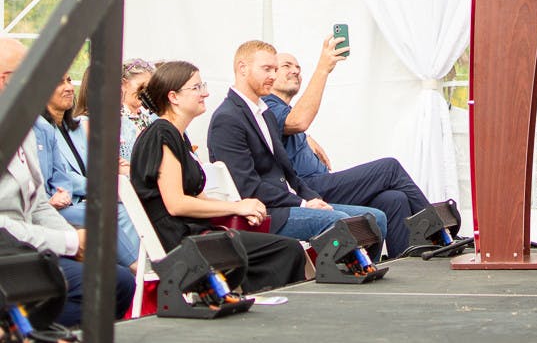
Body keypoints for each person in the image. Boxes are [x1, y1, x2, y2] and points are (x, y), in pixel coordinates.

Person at [129, 61, 308, 292]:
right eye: (196, 88)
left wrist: (242, 206)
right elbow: (176, 204)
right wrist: (236, 208)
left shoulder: (176, 135)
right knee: (286, 250)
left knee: (285, 248)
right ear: (173, 96)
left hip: (195, 234)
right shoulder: (161, 134)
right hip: (180, 242)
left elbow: (198, 198)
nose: (205, 92)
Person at [0, 38, 135, 327]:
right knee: (109, 282)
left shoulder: (24, 128)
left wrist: (77, 244)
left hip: (25, 246)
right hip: (7, 252)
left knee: (119, 281)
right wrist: (70, 241)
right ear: (5, 80)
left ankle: (33, 330)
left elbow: (36, 202)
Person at [207, 40, 387, 244]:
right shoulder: (227, 119)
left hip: (289, 203)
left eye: (275, 69)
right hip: (266, 213)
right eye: (267, 69)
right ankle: (343, 273)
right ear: (242, 68)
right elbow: (247, 187)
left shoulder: (265, 114)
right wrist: (302, 203)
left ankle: (363, 271)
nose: (273, 76)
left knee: (375, 219)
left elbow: (289, 174)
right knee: (341, 222)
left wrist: (313, 199)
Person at [266, 38, 432, 257]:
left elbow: (294, 124)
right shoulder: (267, 106)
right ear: (270, 75)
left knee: (394, 199)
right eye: (286, 66)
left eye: (298, 67)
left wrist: (307, 137)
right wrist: (323, 68)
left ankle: (407, 258)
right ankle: (433, 227)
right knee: (389, 168)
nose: (295, 71)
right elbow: (297, 121)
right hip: (308, 190)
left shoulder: (284, 112)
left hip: (323, 184)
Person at [31, 74, 141, 268]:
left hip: (77, 197)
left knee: (128, 204)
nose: (68, 87)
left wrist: (114, 167)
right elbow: (57, 176)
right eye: (59, 81)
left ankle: (135, 268)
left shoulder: (77, 127)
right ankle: (135, 268)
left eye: (68, 80)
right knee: (110, 211)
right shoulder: (39, 130)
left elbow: (74, 171)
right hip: (58, 203)